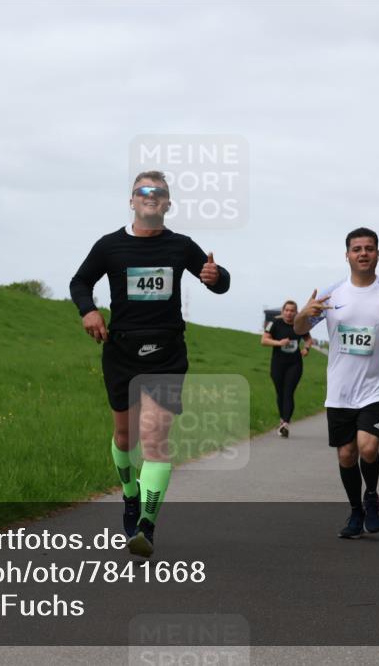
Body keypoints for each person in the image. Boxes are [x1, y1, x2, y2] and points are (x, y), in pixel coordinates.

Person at [69, 171, 231, 557]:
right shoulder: (110, 246)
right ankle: (129, 494)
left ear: (167, 204)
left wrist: (216, 276)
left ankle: (146, 525)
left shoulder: (180, 246)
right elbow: (79, 282)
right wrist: (88, 311)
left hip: (167, 353)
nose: (151, 196)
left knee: (156, 440)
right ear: (132, 201)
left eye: (159, 192)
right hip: (122, 351)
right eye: (144, 191)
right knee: (126, 440)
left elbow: (220, 283)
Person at [294, 227, 379, 539]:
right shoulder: (332, 295)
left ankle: (372, 496)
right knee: (346, 455)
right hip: (340, 391)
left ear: (378, 254)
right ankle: (356, 509)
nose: (363, 253)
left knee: (368, 447)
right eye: (357, 249)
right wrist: (304, 313)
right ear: (347, 255)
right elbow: (300, 327)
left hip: (375, 388)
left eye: (369, 248)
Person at [262, 300, 313, 438]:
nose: (289, 313)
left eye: (292, 311)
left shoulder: (300, 325)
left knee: (288, 392)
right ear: (282, 311)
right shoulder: (274, 323)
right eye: (287, 310)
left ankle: (285, 423)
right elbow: (264, 340)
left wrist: (306, 348)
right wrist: (278, 342)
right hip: (278, 363)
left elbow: (309, 340)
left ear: (296, 312)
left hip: (295, 364)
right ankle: (282, 420)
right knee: (280, 393)